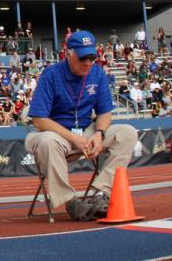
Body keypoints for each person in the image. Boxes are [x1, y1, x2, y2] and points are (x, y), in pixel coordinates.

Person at [25, 30, 137, 221]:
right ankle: (71, 202)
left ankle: (100, 194)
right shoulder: (50, 74)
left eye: (92, 57)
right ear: (68, 53)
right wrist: (75, 138)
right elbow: (39, 119)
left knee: (128, 133)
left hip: (86, 131)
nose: (88, 62)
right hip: (55, 134)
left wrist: (99, 134)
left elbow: (104, 113)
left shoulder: (97, 73)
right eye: (83, 57)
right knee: (47, 141)